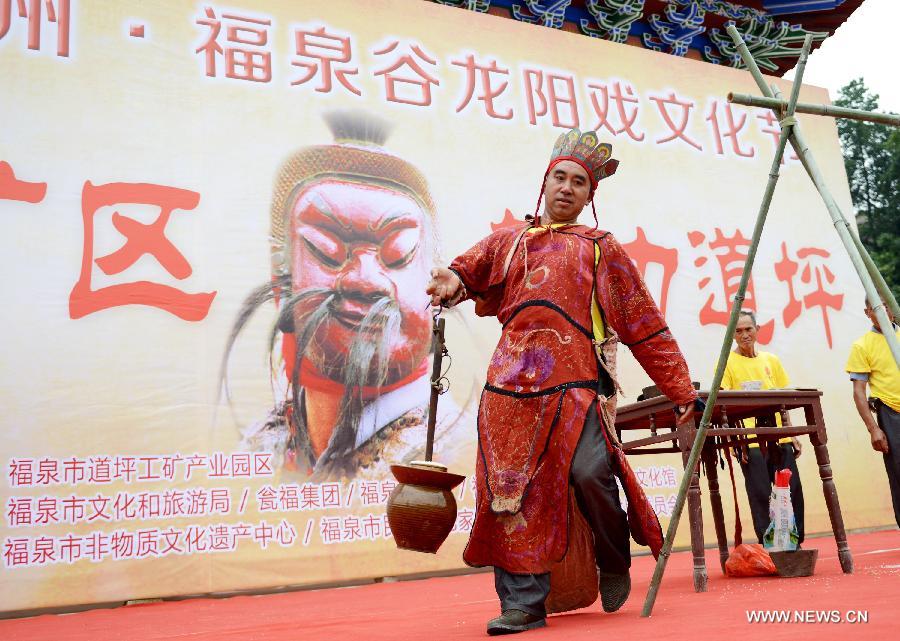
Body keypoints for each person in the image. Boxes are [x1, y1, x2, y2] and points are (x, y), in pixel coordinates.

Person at [427, 128, 697, 635]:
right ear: (545, 181)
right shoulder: (509, 243)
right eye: (560, 177)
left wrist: (680, 388)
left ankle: (614, 557)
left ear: (590, 196)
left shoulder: (600, 248)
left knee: (591, 472)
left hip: (576, 386)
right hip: (508, 391)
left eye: (580, 182)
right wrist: (453, 283)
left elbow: (643, 322)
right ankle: (522, 605)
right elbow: (466, 273)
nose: (567, 188)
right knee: (509, 492)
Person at [221, 110, 471, 479]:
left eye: (398, 252)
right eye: (326, 249)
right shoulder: (263, 445)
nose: (365, 280)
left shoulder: (458, 447)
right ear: (282, 277)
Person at [721, 310, 804, 546]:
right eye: (738, 331)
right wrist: (740, 442)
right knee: (760, 493)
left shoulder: (771, 360)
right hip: (751, 442)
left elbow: (784, 401)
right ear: (732, 335)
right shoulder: (727, 362)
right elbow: (725, 404)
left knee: (791, 489)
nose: (744, 335)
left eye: (748, 329)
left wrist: (792, 434)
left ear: (757, 330)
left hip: (779, 437)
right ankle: (770, 544)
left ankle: (795, 543)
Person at [846, 298, 900, 527]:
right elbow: (859, 392)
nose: (882, 311)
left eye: (886, 305)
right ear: (868, 312)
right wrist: (873, 428)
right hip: (891, 413)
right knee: (899, 473)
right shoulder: (863, 345)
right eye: (876, 308)